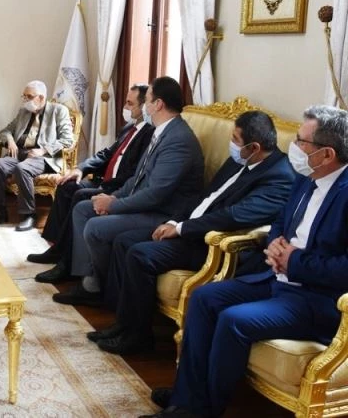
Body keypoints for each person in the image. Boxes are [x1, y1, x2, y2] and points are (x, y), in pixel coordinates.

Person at [142, 105, 348, 418]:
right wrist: (276, 243)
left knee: (233, 319)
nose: (293, 146)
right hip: (276, 279)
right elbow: (281, 221)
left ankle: (202, 409)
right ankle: (188, 395)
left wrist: (294, 261)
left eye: (301, 141)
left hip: (316, 299)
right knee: (204, 297)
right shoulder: (307, 177)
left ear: (327, 154)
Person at [91, 111, 295, 356]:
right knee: (124, 241)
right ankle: (122, 324)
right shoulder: (240, 159)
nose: (231, 143)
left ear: (254, 147)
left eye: (235, 139)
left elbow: (233, 216)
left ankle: (138, 338)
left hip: (211, 243)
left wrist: (181, 229)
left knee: (140, 254)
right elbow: (205, 197)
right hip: (190, 226)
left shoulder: (279, 176)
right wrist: (174, 220)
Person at [50, 76, 204, 305]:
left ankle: (97, 288)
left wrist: (114, 205)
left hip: (163, 214)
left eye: (147, 100)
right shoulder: (161, 131)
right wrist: (112, 197)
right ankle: (88, 280)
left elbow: (155, 194)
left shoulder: (178, 140)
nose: (144, 106)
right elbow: (137, 178)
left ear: (158, 104)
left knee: (95, 226)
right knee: (83, 208)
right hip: (146, 204)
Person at [31, 84, 154, 264]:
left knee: (80, 195)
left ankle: (66, 254)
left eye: (130, 103)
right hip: (102, 179)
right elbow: (106, 154)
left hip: (117, 187)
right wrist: (80, 169)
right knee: (67, 185)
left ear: (143, 106)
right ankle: (55, 245)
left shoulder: (150, 134)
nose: (125, 108)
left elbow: (134, 173)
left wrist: (105, 186)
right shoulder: (129, 127)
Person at [0, 80, 75, 231]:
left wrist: (43, 150)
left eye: (29, 96)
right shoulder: (24, 112)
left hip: (43, 157)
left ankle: (28, 215)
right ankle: (0, 210)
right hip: (20, 153)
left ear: (41, 97)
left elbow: (67, 140)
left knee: (22, 168)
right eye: (24, 96)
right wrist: (10, 140)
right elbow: (5, 131)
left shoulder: (59, 111)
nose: (25, 100)